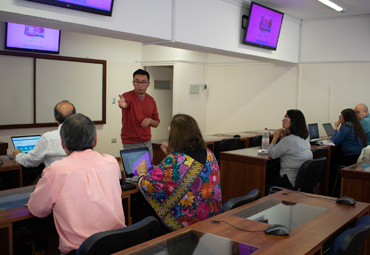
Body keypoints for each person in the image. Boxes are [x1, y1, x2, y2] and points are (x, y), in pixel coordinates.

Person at [27, 113, 126, 254]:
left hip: (82, 250)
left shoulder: (56, 171)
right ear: (95, 140)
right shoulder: (111, 162)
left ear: (63, 143)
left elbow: (37, 209)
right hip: (118, 244)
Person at [136, 114, 222, 231]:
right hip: (210, 217)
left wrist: (141, 173)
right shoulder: (209, 154)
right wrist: (170, 154)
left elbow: (150, 185)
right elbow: (186, 169)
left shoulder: (176, 160)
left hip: (189, 223)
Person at [12, 100, 76, 169]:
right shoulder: (84, 135)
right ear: (75, 116)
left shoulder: (49, 138)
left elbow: (30, 161)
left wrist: (18, 155)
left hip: (53, 178)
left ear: (55, 117)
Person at [118, 69, 160, 160]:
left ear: (148, 84)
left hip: (147, 142)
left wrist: (150, 121)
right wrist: (123, 105)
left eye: (143, 82)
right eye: (137, 82)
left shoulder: (151, 100)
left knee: (147, 172)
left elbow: (156, 123)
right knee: (133, 173)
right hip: (130, 143)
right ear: (133, 83)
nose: (140, 85)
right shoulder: (127, 96)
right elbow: (125, 104)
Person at [266, 109, 313, 188]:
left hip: (289, 178)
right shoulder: (304, 138)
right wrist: (283, 137)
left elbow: (272, 154)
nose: (282, 120)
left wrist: (275, 137)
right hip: (301, 179)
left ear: (293, 122)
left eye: (285, 118)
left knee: (263, 177)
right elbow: (286, 148)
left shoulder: (289, 140)